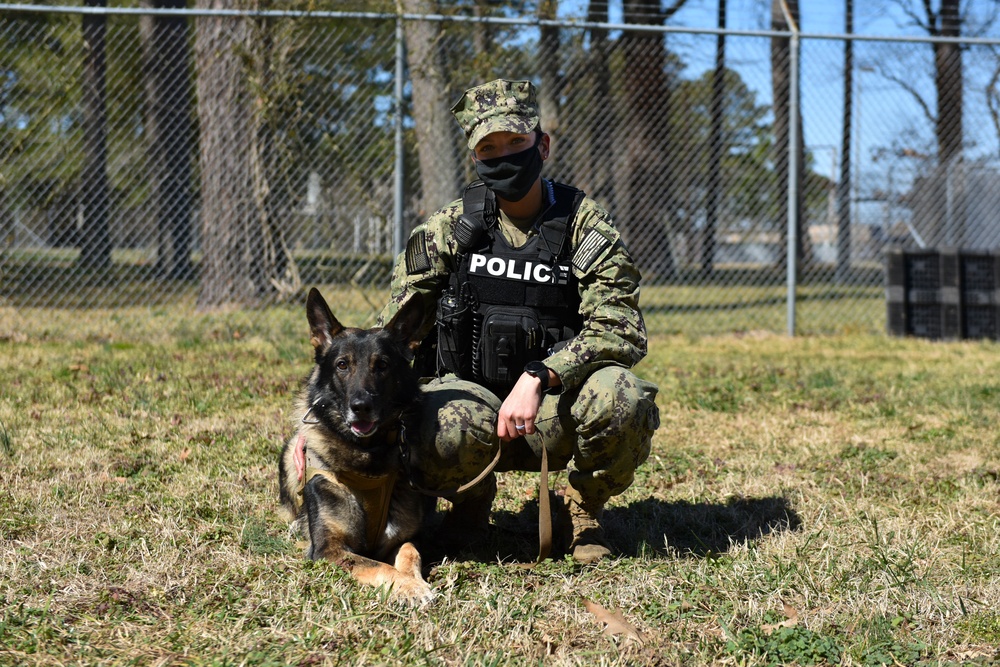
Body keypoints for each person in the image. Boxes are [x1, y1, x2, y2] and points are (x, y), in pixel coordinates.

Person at [377, 78, 659, 564]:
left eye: (516, 143)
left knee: (623, 398)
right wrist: (324, 423)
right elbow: (388, 338)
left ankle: (582, 509)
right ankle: (471, 500)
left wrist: (543, 374)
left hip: (556, 408)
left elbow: (620, 326)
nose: (504, 156)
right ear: (475, 159)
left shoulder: (583, 225)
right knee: (433, 422)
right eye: (489, 148)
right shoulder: (450, 229)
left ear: (542, 145)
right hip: (472, 405)